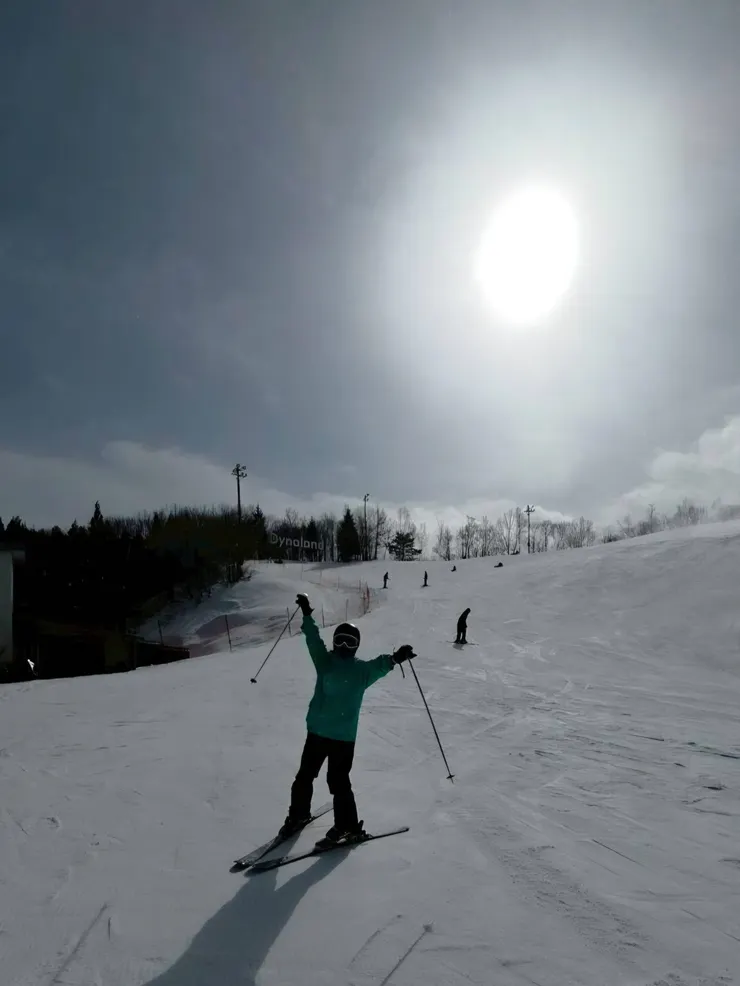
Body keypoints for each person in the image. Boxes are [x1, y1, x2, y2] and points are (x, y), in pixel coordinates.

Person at [280, 593, 416, 847]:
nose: (343, 645)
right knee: (304, 777)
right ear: (334, 642)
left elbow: (381, 665)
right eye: (340, 640)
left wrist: (397, 657)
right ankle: (298, 815)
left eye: (349, 641)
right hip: (318, 733)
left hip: (342, 738)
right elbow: (312, 640)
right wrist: (307, 614)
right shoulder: (324, 662)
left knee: (338, 781)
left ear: (356, 646)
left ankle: (347, 826)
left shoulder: (361, 671)